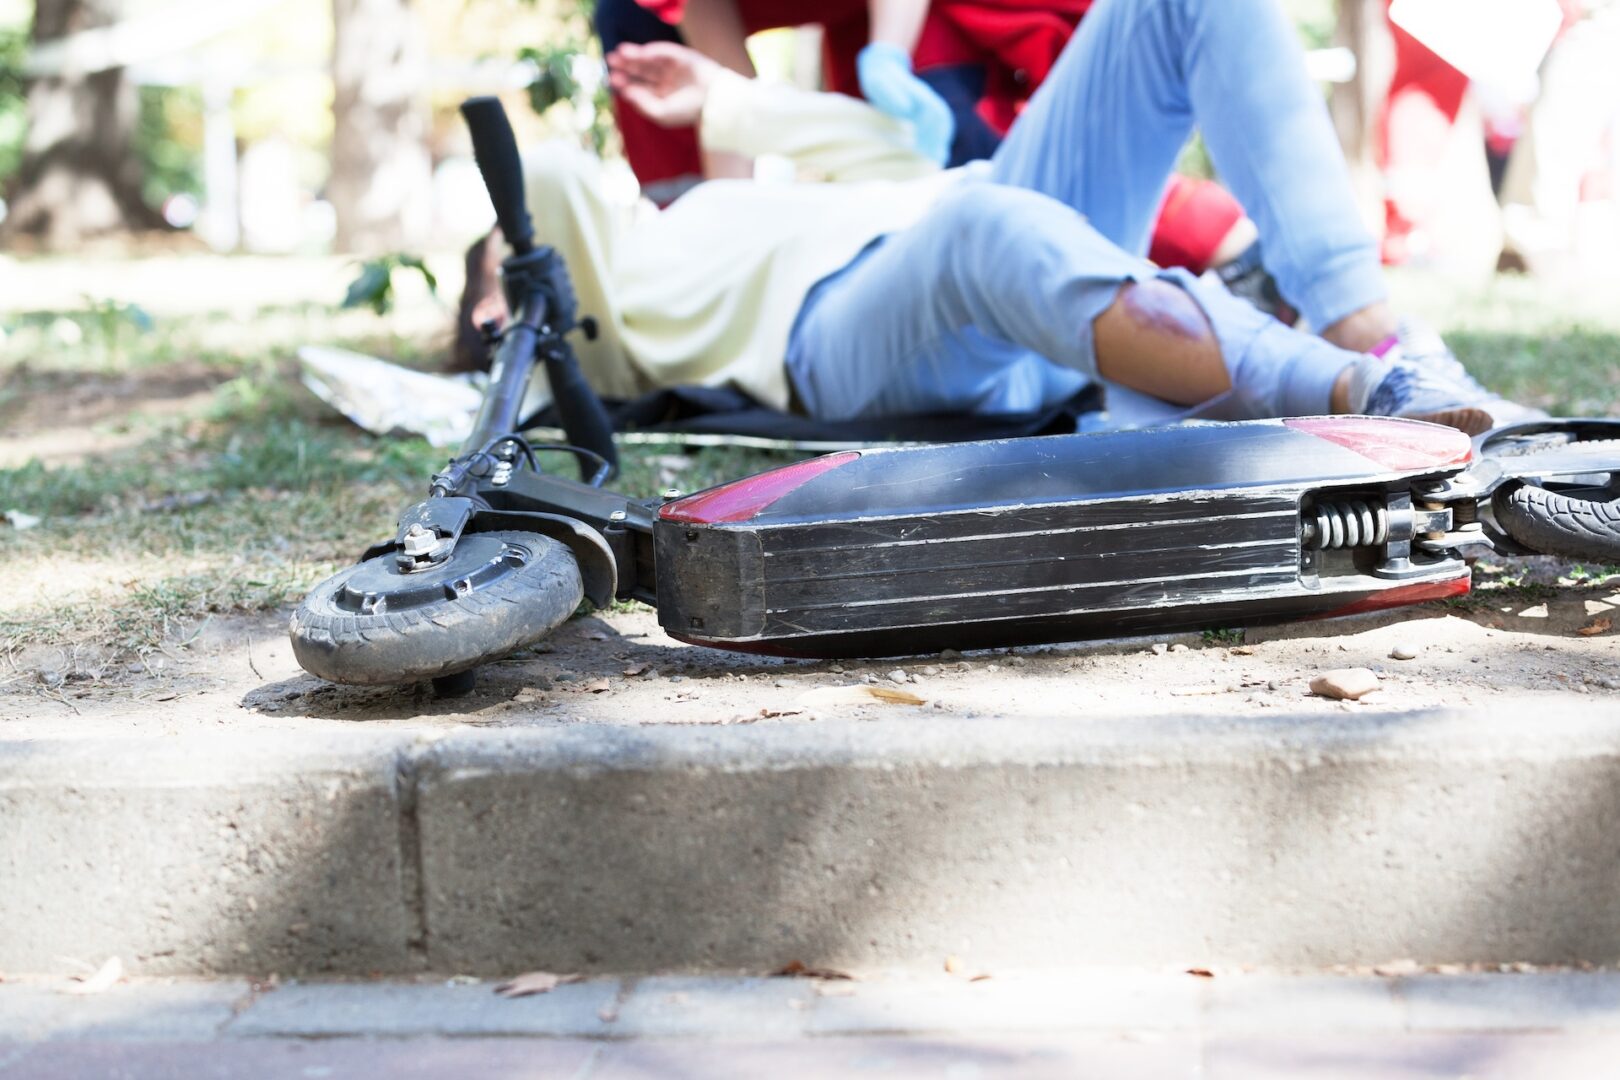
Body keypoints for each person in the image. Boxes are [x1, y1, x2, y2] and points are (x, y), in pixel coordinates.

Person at [484, 0, 1535, 436]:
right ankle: (1366, 395)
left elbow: (905, 153)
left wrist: (729, 105)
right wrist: (506, 272)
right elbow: (552, 189)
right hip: (840, 336)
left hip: (964, 240)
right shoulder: (602, 319)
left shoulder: (713, 206)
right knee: (974, 228)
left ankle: (1370, 327)